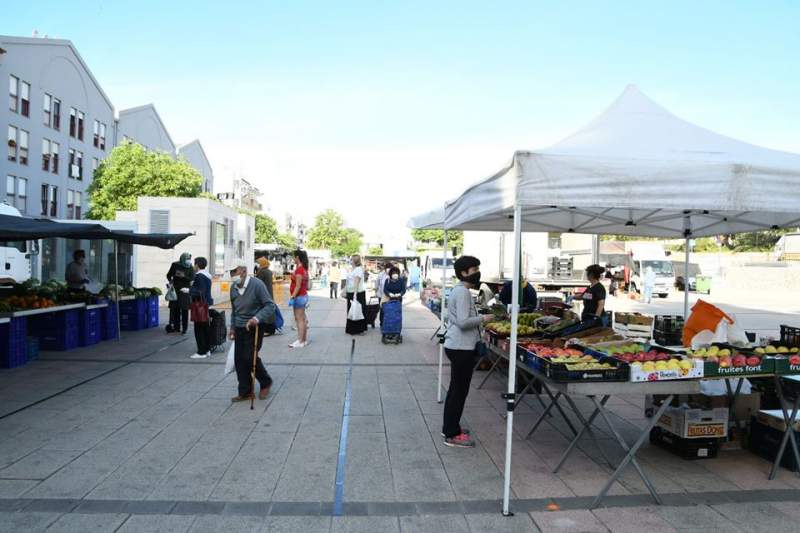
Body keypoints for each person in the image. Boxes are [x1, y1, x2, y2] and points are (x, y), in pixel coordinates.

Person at [442, 255, 493, 448]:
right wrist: (484, 319)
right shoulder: (462, 292)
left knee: (456, 389)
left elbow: (456, 317)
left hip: (458, 345)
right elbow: (463, 322)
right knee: (459, 391)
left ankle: (450, 427)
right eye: (474, 270)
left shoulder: (459, 290)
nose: (477, 273)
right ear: (463, 273)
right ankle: (451, 434)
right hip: (461, 347)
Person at [229, 260, 276, 402]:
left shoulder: (257, 285)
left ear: (243, 271)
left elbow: (270, 305)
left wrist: (256, 318)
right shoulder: (233, 287)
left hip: (254, 326)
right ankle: (245, 391)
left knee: (249, 357)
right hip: (239, 326)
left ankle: (266, 381)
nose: (232, 275)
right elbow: (234, 310)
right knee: (239, 360)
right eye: (231, 273)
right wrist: (232, 327)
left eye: (234, 271)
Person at [189, 257, 213, 359]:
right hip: (206, 304)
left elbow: (200, 291)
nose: (194, 266)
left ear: (197, 265)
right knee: (205, 328)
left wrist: (189, 290)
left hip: (199, 305)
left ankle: (201, 352)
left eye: (194, 264)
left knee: (199, 329)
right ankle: (207, 350)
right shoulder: (207, 275)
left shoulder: (199, 276)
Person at [166, 252, 194, 334]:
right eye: (187, 259)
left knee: (185, 310)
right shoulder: (175, 265)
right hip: (175, 290)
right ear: (182, 259)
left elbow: (192, 278)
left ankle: (184, 328)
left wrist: (184, 276)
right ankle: (176, 327)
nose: (188, 261)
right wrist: (171, 281)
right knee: (175, 309)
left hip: (185, 291)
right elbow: (168, 275)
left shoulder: (190, 267)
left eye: (189, 259)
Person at [288, 250, 310, 348]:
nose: (293, 259)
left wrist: (292, 296)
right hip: (303, 296)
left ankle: (300, 341)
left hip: (299, 297)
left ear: (297, 257)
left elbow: (298, 285)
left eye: (294, 257)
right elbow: (306, 285)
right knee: (303, 319)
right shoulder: (304, 269)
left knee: (299, 319)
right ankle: (304, 340)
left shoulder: (299, 270)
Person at [345, 255, 367, 335]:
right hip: (351, 292)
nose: (350, 261)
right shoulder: (353, 269)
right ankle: (353, 329)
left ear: (354, 261)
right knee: (352, 311)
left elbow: (357, 282)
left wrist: (355, 294)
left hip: (357, 293)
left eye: (351, 260)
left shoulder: (358, 269)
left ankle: (359, 329)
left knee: (357, 311)